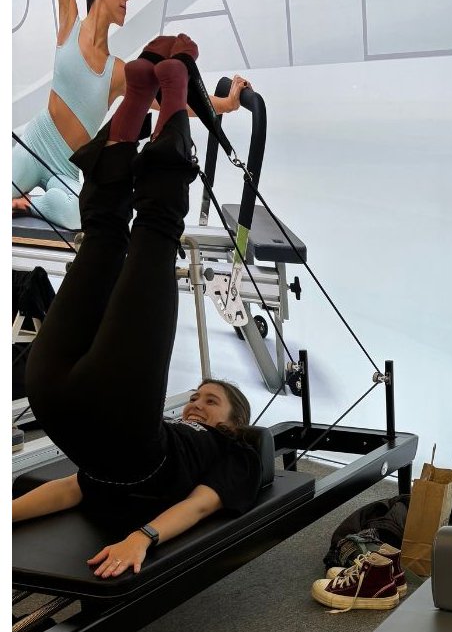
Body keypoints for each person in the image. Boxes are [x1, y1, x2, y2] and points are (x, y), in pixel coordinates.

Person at [12, 35, 264, 579]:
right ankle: (149, 89)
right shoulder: (168, 431)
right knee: (114, 234)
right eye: (198, 396)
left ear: (235, 424)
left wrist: (142, 538)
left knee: (121, 234)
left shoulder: (236, 451)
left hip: (60, 401)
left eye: (211, 401)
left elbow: (201, 506)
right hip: (120, 421)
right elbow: (69, 488)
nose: (196, 405)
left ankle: (162, 83)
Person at [13, 0, 250, 229]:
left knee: (80, 213)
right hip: (34, 146)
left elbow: (179, 101)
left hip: (66, 169)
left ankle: (28, 204)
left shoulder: (117, 72)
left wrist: (227, 104)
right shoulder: (70, 25)